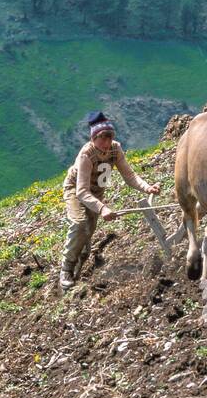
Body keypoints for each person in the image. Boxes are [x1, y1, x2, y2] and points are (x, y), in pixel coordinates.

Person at [60, 111, 159, 289]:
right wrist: (103, 208)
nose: (106, 142)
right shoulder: (86, 155)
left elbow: (129, 176)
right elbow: (81, 191)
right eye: (102, 138)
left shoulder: (115, 149)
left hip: (96, 192)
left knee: (88, 232)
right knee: (80, 223)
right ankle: (66, 268)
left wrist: (147, 187)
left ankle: (80, 264)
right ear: (93, 138)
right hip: (76, 190)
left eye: (109, 137)